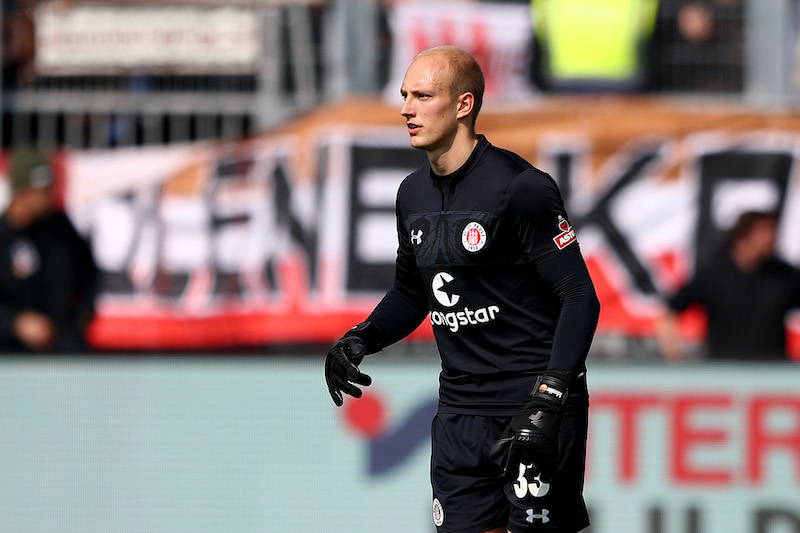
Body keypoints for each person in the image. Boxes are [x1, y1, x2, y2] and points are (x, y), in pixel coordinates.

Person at [324, 46, 600, 533]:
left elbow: (580, 296)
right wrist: (360, 337)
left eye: (423, 95)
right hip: (460, 415)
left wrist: (551, 396)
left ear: (464, 105)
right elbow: (413, 294)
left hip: (531, 405)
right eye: (405, 94)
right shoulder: (412, 194)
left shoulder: (521, 187)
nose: (406, 108)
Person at [657, 210, 800, 361]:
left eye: (773, 231)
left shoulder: (785, 275)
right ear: (741, 236)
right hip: (723, 374)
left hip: (773, 374)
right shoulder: (714, 275)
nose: (771, 238)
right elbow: (671, 311)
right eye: (764, 232)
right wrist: (673, 353)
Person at [0, 145, 98, 353]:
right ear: (21, 192)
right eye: (41, 191)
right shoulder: (3, 237)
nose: (48, 196)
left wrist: (83, 313)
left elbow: (89, 271)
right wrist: (15, 324)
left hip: (63, 350)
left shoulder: (60, 228)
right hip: (11, 357)